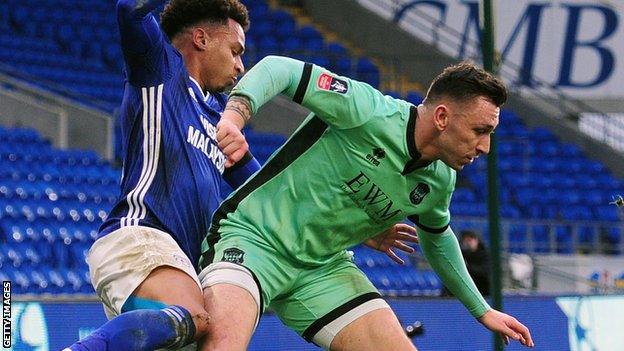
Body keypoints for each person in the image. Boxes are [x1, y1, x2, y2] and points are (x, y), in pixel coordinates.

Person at [198, 56, 535, 350]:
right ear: (443, 117)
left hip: (322, 270)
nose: (485, 147)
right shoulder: (367, 111)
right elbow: (280, 69)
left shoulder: (440, 180)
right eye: (480, 130)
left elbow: (438, 237)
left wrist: (483, 309)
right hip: (252, 241)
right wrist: (234, 117)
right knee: (222, 345)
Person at [65, 0, 260, 350]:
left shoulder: (220, 120)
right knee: (197, 318)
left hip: (179, 264)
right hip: (140, 237)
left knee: (200, 332)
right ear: (201, 39)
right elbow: (130, 9)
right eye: (234, 51)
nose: (240, 66)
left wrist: (353, 226)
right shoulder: (161, 69)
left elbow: (267, 191)